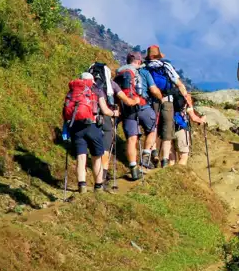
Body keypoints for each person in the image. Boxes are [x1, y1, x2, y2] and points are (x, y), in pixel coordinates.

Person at [63, 72, 120, 193]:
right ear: (92, 80)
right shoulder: (96, 90)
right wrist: (114, 113)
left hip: (76, 127)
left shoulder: (73, 91)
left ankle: (82, 186)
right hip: (92, 127)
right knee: (96, 157)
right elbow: (104, 110)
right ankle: (98, 187)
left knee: (81, 157)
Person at [144, 45, 194, 168]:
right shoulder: (165, 66)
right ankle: (165, 159)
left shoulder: (144, 68)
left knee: (154, 128)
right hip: (166, 100)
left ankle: (154, 152)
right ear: (158, 55)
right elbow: (178, 83)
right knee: (167, 130)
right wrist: (186, 99)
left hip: (151, 102)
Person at [116, 51, 161, 180]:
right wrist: (160, 98)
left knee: (131, 139)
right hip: (142, 106)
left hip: (127, 110)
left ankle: (133, 168)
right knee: (152, 129)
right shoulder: (143, 72)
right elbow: (153, 90)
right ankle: (146, 155)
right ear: (139, 61)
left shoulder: (120, 73)